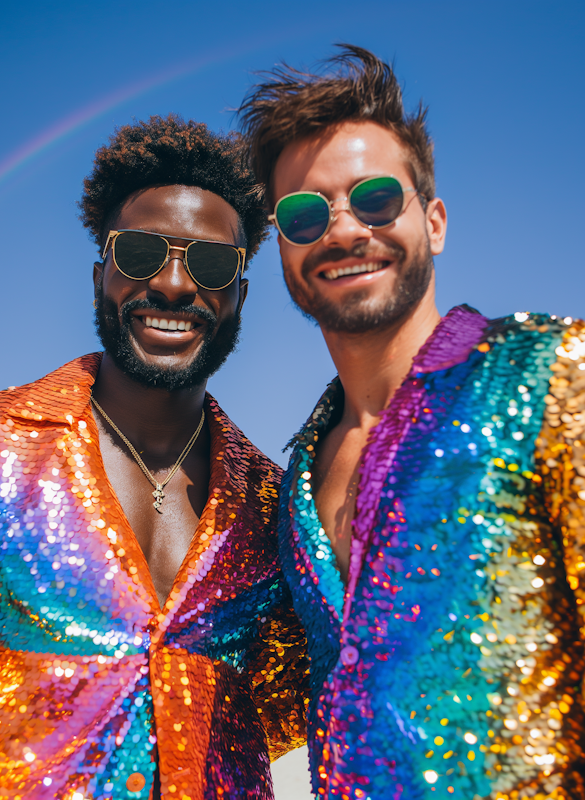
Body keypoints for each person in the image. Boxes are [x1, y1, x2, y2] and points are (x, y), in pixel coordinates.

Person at [237, 45, 585, 799]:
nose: (342, 230)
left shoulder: (553, 373)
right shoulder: (296, 476)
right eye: (304, 213)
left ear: (434, 221)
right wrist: (2, 445)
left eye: (374, 199)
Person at [0, 115, 308, 800]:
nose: (173, 284)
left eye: (210, 264)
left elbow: (296, 710)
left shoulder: (277, 511)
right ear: (99, 275)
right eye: (141, 253)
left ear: (240, 294)